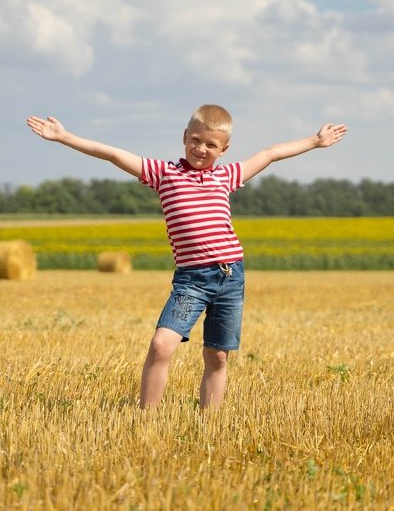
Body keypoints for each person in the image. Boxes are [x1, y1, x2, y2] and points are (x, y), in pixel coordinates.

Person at [26, 105, 347, 409]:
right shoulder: (164, 174)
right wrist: (64, 137)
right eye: (195, 140)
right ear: (184, 136)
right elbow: (112, 154)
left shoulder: (227, 176)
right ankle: (146, 419)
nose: (201, 149)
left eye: (211, 144)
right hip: (191, 279)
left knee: (217, 356)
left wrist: (315, 142)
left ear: (224, 149)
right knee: (161, 345)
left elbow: (270, 154)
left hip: (231, 275)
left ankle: (210, 425)